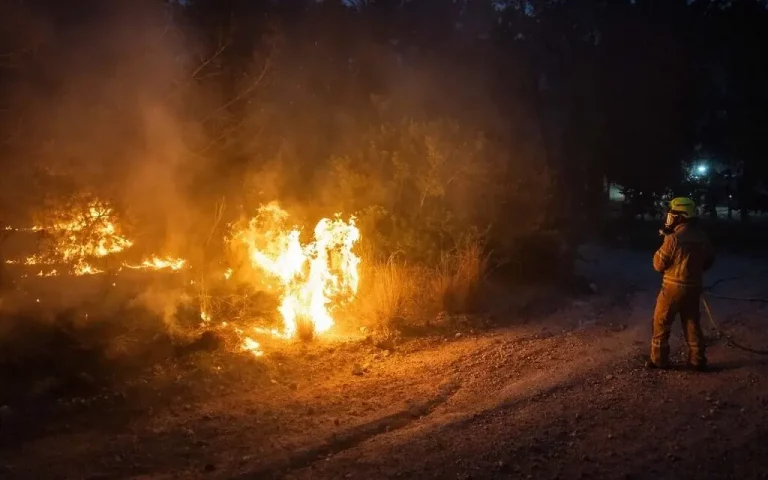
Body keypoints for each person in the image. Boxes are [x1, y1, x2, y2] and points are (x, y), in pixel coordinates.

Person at [647, 197, 715, 371]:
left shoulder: (673, 238)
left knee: (661, 322)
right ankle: (697, 361)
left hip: (672, 288)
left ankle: (659, 360)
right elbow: (708, 261)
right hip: (694, 287)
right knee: (692, 323)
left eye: (672, 215)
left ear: (680, 216)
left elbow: (658, 264)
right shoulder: (702, 237)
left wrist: (666, 238)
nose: (669, 218)